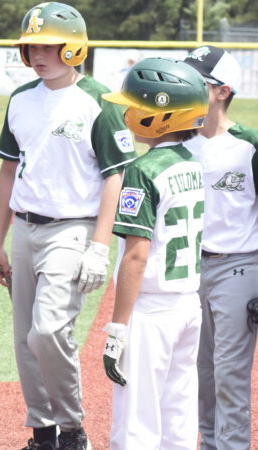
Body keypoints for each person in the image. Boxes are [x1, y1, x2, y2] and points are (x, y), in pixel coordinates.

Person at [0, 3, 137, 449]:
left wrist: (99, 245)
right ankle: (42, 432)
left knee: (49, 329)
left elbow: (116, 174)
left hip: (73, 229)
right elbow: (7, 171)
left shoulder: (101, 101)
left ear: (74, 48)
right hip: (25, 231)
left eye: (51, 45)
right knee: (24, 340)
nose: (39, 54)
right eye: (32, 45)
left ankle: (72, 429)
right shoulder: (20, 99)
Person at [100, 57, 209, 449]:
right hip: (187, 305)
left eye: (139, 105)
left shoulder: (143, 170)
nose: (130, 111)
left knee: (135, 424)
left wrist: (117, 326)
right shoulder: (191, 164)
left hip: (151, 309)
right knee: (177, 418)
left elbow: (135, 256)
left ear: (162, 114)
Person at [181, 46, 258, 450]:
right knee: (200, 370)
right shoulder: (178, 144)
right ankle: (208, 443)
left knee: (229, 373)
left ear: (222, 91)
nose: (188, 86)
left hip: (239, 268)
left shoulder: (248, 145)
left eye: (200, 81)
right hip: (190, 270)